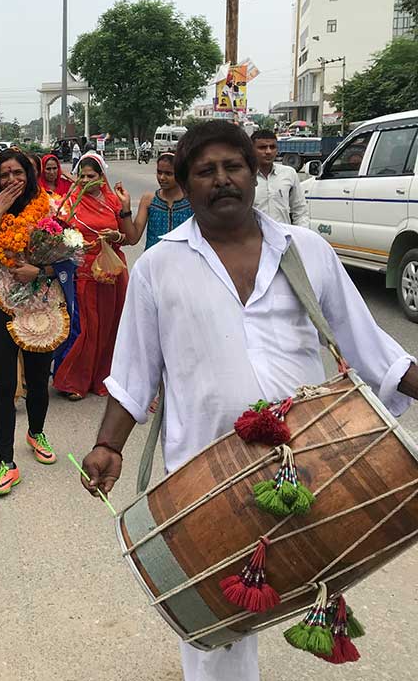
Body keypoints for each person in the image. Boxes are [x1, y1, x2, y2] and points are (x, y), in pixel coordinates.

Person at [80, 120, 418, 681]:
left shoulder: (305, 250)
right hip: (204, 470)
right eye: (205, 171)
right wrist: (107, 445)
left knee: (307, 579)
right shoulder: (159, 266)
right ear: (185, 186)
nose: (222, 179)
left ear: (255, 172)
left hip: (310, 462)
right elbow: (133, 372)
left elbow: (373, 348)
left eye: (232, 166)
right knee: (218, 628)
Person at [0, 149, 63, 495]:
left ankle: (36, 431)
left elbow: (72, 258)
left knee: (40, 381)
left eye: (17, 173)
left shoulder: (52, 208)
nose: (11, 180)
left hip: (40, 307)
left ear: (30, 173)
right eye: (4, 174)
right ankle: (6, 464)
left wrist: (38, 270)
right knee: (3, 386)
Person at [52, 153, 129, 400]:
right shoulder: (70, 202)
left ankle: (103, 377)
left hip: (110, 270)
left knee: (108, 326)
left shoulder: (113, 202)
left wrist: (114, 236)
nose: (86, 180)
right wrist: (74, 247)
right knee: (85, 327)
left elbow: (128, 237)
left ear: (101, 176)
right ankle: (74, 380)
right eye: (82, 176)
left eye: (91, 176)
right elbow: (57, 235)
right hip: (82, 271)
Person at [115, 152, 193, 250]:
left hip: (184, 262)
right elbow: (133, 239)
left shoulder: (192, 201)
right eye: (159, 172)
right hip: (153, 262)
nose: (162, 178)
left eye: (168, 174)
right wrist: (125, 206)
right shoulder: (149, 200)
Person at [252, 129, 309, 228]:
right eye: (262, 147)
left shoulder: (289, 173)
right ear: (251, 150)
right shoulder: (245, 177)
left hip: (283, 238)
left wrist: (301, 237)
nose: (268, 151)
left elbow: (300, 210)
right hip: (254, 240)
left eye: (272, 147)